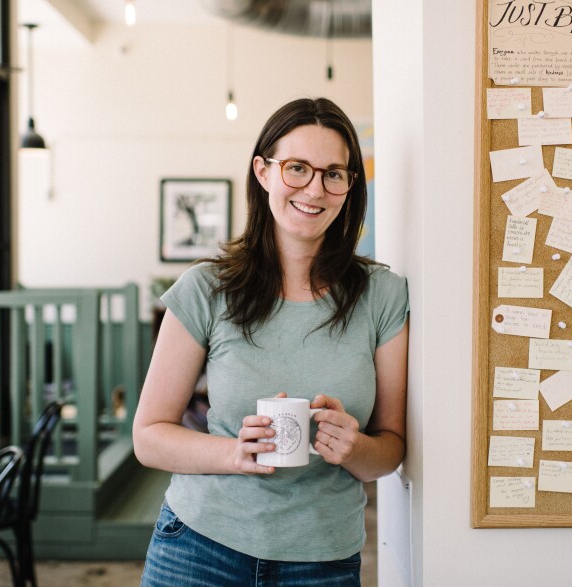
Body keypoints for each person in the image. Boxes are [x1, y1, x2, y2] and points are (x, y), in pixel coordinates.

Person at [133, 97, 409, 586]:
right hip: (199, 548)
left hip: (322, 559)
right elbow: (149, 436)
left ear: (349, 187)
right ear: (263, 172)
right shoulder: (206, 288)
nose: (314, 189)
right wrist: (233, 454)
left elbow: (389, 450)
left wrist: (353, 447)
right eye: (297, 168)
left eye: (334, 174)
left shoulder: (382, 295)